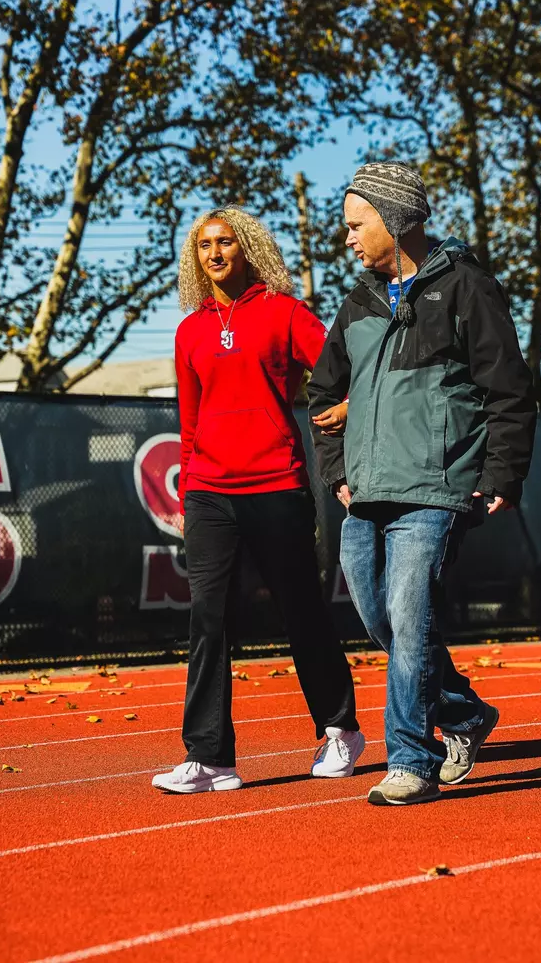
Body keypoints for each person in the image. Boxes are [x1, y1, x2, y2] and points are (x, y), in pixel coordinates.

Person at [308, 162, 537, 807]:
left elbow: (509, 392)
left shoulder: (468, 288)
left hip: (436, 489)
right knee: (381, 617)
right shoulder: (357, 302)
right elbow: (323, 394)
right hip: (366, 492)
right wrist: (339, 473)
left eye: (357, 224)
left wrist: (504, 473)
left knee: (410, 619)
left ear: (397, 218)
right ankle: (464, 716)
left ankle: (412, 757)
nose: (348, 238)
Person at [153, 207, 364, 795]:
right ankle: (210, 758)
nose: (215, 253)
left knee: (301, 612)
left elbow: (339, 370)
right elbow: (189, 420)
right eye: (204, 246)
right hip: (210, 493)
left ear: (247, 248)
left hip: (277, 485)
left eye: (225, 242)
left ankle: (341, 728)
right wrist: (191, 482)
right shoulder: (189, 330)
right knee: (208, 620)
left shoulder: (284, 313)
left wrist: (345, 409)